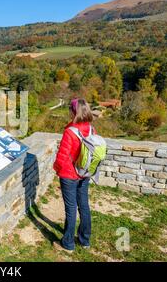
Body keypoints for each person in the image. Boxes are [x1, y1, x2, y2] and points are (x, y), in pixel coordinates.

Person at [53, 98, 95, 253]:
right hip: (84, 173)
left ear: (73, 111)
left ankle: (68, 243)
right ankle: (84, 240)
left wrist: (56, 169)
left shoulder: (70, 132)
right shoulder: (91, 129)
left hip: (69, 175)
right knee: (84, 206)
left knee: (71, 209)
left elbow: (62, 157)